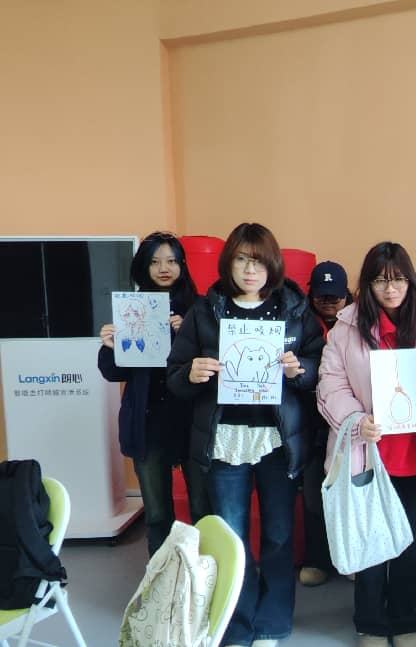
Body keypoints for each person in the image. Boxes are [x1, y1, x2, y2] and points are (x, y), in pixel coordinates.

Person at [166, 223, 324, 647]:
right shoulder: (206, 310)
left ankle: (273, 622)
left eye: (258, 261)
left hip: (277, 440)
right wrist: (191, 373)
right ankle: (237, 620)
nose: (250, 270)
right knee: (232, 535)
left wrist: (300, 370)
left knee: (278, 534)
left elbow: (318, 366)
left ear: (272, 264)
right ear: (228, 263)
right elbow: (174, 374)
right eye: (241, 259)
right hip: (224, 440)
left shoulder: (294, 308)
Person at [317, 242, 416, 647]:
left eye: (398, 279)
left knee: (409, 544)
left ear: (410, 279)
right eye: (380, 281)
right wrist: (355, 421)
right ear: (367, 284)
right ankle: (369, 623)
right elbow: (330, 383)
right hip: (369, 453)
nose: (390, 288)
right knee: (369, 543)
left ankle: (402, 620)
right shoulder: (347, 327)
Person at [97, 231, 210, 556]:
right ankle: (161, 576)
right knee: (158, 513)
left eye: (172, 261)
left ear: (182, 265)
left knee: (204, 508)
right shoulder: (131, 309)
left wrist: (189, 333)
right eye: (155, 262)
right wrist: (112, 347)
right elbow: (112, 372)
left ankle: (205, 575)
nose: (164, 268)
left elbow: (217, 363)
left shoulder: (201, 307)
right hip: (148, 420)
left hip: (192, 421)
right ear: (143, 267)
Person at [298, 260, 352, 588]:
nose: (329, 302)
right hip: (311, 425)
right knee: (314, 495)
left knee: (354, 493)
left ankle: (352, 557)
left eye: (336, 296)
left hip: (352, 425)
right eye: (322, 296)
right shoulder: (300, 322)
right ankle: (317, 559)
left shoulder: (360, 322)